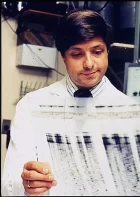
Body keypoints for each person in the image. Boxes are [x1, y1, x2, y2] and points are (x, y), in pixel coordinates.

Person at [1, 9, 131, 196]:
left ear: (107, 51)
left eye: (97, 52)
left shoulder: (129, 110)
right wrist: (26, 183)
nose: (89, 64)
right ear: (63, 56)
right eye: (77, 54)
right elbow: (8, 185)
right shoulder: (31, 106)